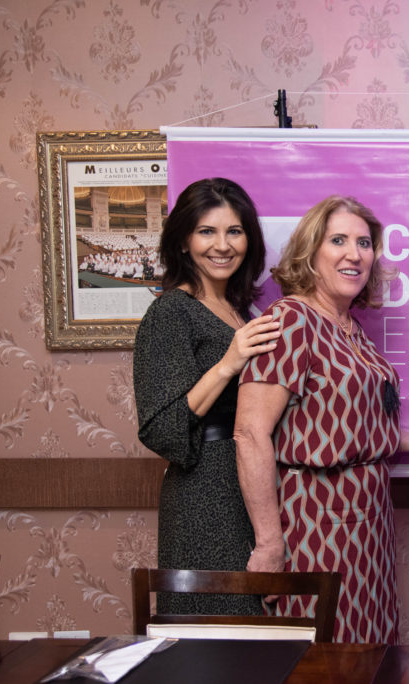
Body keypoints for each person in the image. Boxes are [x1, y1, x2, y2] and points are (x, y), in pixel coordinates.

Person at [233, 195, 409, 644]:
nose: (355, 254)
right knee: (326, 655)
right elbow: (250, 433)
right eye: (338, 241)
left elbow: (350, 426)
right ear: (310, 252)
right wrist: (270, 544)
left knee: (371, 652)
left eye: (364, 243)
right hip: (315, 522)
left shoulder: (352, 330)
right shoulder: (291, 320)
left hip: (370, 524)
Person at [133, 178, 282, 615]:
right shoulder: (169, 312)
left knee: (256, 630)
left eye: (234, 231)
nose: (222, 245)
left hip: (250, 486)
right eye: (206, 232)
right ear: (183, 240)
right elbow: (162, 430)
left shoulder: (240, 312)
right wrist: (228, 363)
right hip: (205, 496)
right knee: (215, 630)